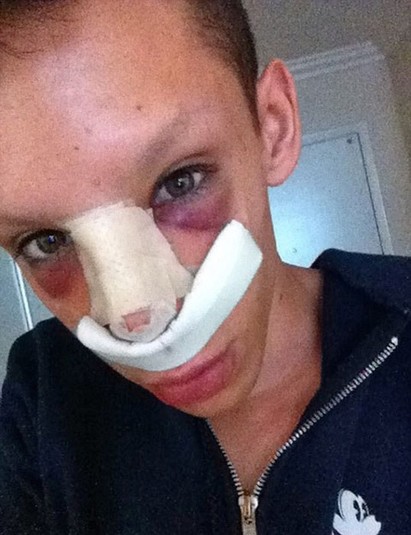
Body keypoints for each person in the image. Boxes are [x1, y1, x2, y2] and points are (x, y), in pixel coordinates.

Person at [0, 1, 410, 533]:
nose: (138, 319)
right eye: (46, 241)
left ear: (272, 128)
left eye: (181, 182)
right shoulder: (42, 403)